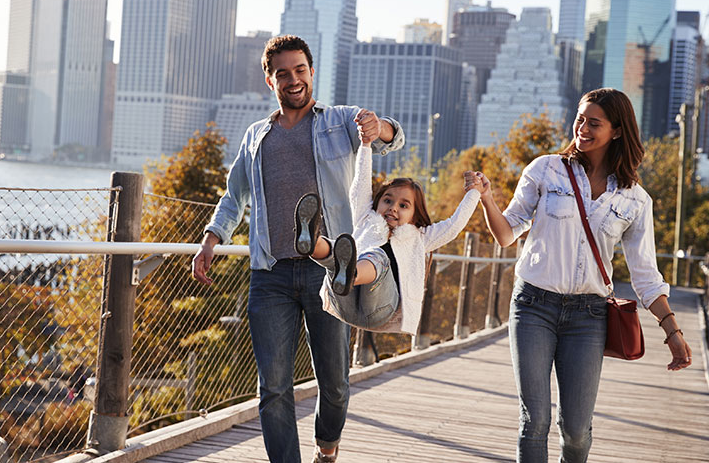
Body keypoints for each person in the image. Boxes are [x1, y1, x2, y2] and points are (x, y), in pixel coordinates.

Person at [192, 35, 404, 463]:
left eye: (300, 70)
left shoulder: (339, 121)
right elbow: (235, 197)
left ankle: (327, 447)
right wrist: (211, 239)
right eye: (283, 73)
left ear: (311, 71)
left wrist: (377, 126)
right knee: (273, 386)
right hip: (269, 273)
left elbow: (391, 139)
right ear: (269, 79)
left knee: (335, 382)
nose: (293, 80)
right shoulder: (256, 136)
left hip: (327, 271)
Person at [475, 88, 692, 462]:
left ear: (617, 131)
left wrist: (672, 330)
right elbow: (507, 233)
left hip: (588, 316)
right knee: (535, 420)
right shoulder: (545, 169)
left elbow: (645, 275)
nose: (583, 128)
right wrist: (486, 198)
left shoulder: (634, 199)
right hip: (533, 307)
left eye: (595, 123)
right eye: (580, 118)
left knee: (576, 431)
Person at [293, 128, 485, 334]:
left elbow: (453, 226)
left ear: (415, 215)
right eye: (388, 200)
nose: (393, 207)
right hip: (342, 301)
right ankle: (312, 243)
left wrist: (474, 192)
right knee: (334, 246)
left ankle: (351, 272)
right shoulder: (366, 219)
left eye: (403, 205)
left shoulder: (420, 238)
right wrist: (365, 146)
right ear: (378, 203)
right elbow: (360, 187)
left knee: (377, 257)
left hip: (380, 310)